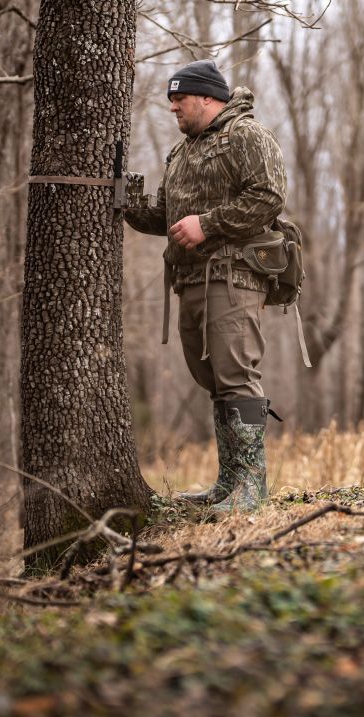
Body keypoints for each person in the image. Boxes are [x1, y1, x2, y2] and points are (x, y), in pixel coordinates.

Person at [123, 59, 287, 515]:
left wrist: (208, 225)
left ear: (207, 98)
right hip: (190, 279)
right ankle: (229, 484)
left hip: (233, 274)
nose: (173, 107)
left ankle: (251, 492)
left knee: (236, 375)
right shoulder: (183, 152)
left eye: (180, 99)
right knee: (212, 379)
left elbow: (269, 196)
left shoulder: (247, 136)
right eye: (171, 100)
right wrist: (131, 206)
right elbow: (170, 218)